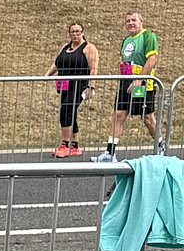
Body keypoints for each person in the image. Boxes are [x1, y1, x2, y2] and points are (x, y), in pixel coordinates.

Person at [95, 11, 162, 161]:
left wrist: (139, 79)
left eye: (133, 20)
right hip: (125, 83)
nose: (131, 23)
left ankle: (160, 146)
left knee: (147, 117)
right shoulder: (126, 40)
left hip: (142, 84)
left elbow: (152, 59)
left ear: (141, 22)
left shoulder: (148, 36)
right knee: (118, 114)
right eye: (128, 21)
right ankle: (110, 153)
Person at [45, 23, 98, 158]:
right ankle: (75, 146)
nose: (75, 34)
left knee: (66, 110)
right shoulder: (65, 47)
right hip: (64, 85)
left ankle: (65, 144)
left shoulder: (89, 48)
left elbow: (93, 68)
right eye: (72, 32)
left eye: (78, 31)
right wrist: (46, 75)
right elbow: (57, 63)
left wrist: (91, 86)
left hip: (79, 85)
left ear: (83, 32)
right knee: (70, 111)